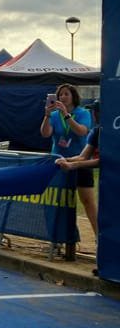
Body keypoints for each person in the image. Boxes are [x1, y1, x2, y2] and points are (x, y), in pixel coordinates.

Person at [40, 84, 96, 238]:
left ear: (73, 97)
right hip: (59, 162)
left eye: (66, 94)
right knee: (57, 201)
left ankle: (99, 237)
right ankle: (56, 240)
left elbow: (82, 131)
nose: (62, 97)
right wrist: (46, 116)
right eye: (60, 95)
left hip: (80, 161)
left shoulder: (83, 112)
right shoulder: (54, 115)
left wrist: (66, 115)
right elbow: (45, 134)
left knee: (87, 201)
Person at [54, 99, 100, 237]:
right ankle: (100, 240)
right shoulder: (97, 131)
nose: (94, 114)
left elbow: (103, 161)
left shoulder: (112, 131)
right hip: (107, 182)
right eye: (94, 111)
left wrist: (72, 164)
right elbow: (83, 156)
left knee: (91, 203)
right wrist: (64, 160)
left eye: (96, 111)